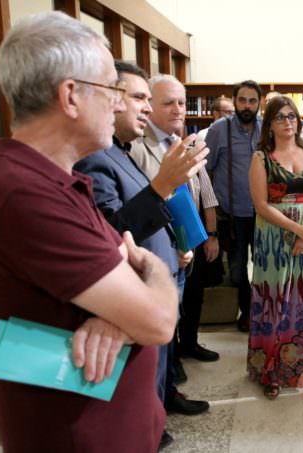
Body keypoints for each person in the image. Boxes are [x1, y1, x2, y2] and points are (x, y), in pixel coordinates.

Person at [0, 12, 179, 452]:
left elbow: (139, 311)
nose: (120, 104)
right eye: (113, 89)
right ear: (71, 96)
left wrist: (121, 319)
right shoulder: (22, 195)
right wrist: (150, 271)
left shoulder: (57, 180)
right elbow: (158, 320)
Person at [73, 62, 210, 449]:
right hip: (131, 290)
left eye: (149, 99)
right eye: (138, 98)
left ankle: (156, 420)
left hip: (159, 277)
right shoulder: (97, 159)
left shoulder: (120, 151)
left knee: (160, 369)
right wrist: (164, 184)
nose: (146, 108)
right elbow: (111, 231)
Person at [129, 75, 221, 363]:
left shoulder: (180, 142)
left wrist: (203, 236)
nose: (178, 109)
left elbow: (200, 190)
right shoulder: (137, 147)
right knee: (162, 325)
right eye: (169, 103)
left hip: (185, 242)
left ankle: (180, 359)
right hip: (157, 250)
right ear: (148, 106)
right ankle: (170, 375)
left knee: (184, 307)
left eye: (181, 102)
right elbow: (143, 204)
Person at [247, 95, 303, 399]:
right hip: (274, 238)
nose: (287, 122)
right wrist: (296, 230)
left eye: (292, 116)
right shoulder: (261, 158)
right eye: (280, 117)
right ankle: (270, 370)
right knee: (275, 302)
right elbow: (260, 204)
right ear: (269, 124)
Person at [205, 80, 263, 332]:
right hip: (232, 214)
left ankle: (261, 311)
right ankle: (247, 309)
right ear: (235, 101)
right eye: (242, 100)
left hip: (265, 214)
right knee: (238, 270)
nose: (247, 106)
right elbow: (205, 171)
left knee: (264, 266)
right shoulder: (219, 129)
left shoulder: (268, 128)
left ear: (259, 103)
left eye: (252, 100)